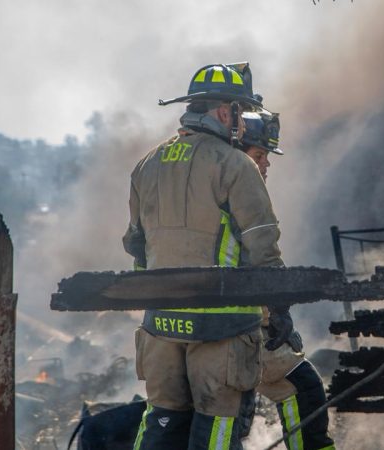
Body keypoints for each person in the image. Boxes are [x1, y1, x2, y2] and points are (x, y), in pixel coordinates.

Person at [123, 62, 294, 450]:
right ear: (224, 112)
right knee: (217, 426)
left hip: (161, 327)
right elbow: (263, 247)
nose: (243, 121)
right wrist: (280, 310)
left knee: (162, 422)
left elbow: (136, 246)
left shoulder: (146, 165)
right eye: (241, 112)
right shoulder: (236, 165)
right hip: (223, 328)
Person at [235, 112, 336, 450]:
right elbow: (254, 265)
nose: (265, 166)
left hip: (231, 325)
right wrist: (276, 313)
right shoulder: (238, 197)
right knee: (302, 387)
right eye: (258, 156)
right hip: (233, 330)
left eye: (266, 158)